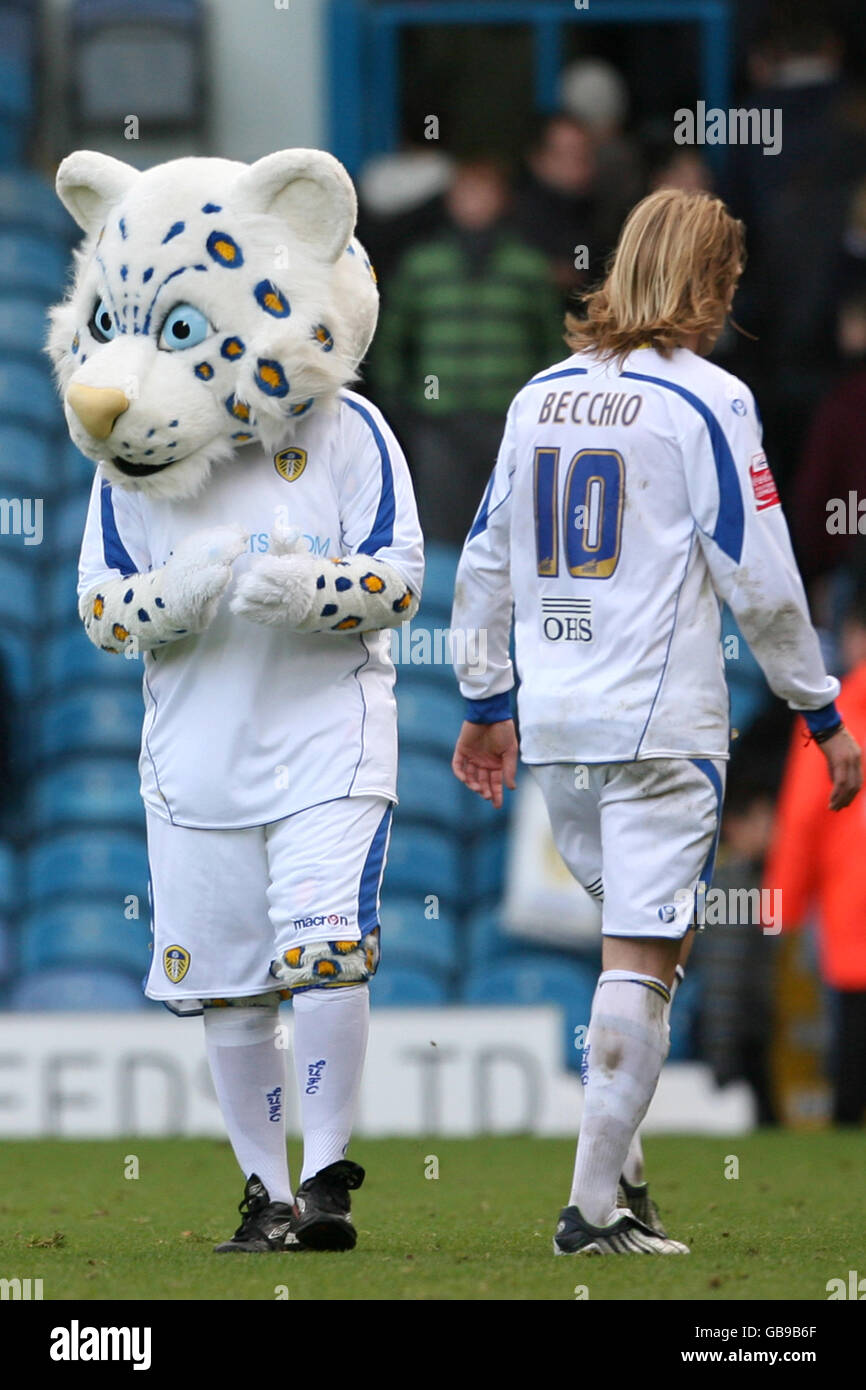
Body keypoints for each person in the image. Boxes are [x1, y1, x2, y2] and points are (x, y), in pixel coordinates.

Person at [449, 188, 862, 1254]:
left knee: (636, 943)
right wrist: (817, 708)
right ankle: (587, 1214)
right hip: (657, 728)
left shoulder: (535, 396)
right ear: (708, 282)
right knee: (644, 954)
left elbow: (485, 558)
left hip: (556, 729)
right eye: (725, 283)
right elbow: (760, 576)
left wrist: (484, 699)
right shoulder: (707, 401)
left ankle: (621, 1186)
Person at [372, 157, 563, 543]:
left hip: (508, 425)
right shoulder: (422, 265)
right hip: (439, 424)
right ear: (451, 201)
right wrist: (403, 403)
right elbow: (392, 338)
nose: (475, 203)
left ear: (503, 201)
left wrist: (542, 408)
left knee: (509, 534)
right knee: (439, 536)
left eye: (485, 193)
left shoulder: (527, 266)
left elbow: (553, 342)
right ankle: (440, 607)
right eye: (466, 193)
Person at [765, 581, 866, 1124]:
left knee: (852, 1062)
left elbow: (803, 820)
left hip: (853, 923)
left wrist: (779, 909)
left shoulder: (832, 720)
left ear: (853, 637)